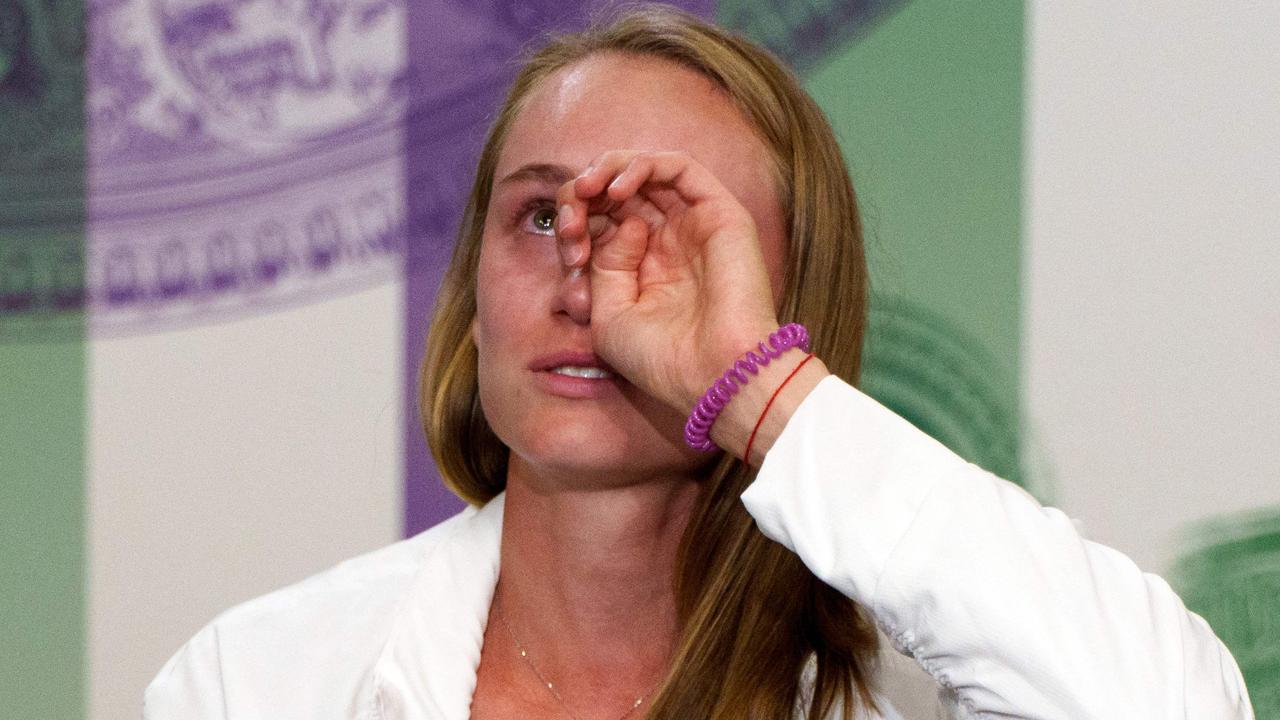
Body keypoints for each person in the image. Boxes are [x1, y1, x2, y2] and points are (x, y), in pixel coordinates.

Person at [144, 6, 1254, 719]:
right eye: (539, 217)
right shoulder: (255, 684)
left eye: (662, 229)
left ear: (782, 301)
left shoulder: (912, 695)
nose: (588, 287)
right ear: (471, 289)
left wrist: (762, 397)